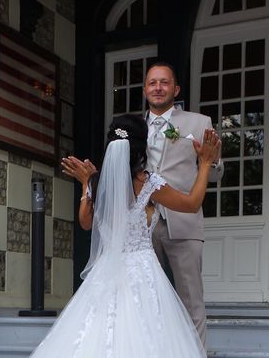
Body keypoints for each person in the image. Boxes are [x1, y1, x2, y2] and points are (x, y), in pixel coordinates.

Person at [30, 114, 220, 357]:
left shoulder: (98, 183)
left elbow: (85, 223)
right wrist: (204, 164)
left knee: (97, 328)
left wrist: (86, 184)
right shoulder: (147, 182)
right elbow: (191, 204)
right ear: (142, 147)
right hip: (143, 270)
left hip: (106, 269)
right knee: (149, 332)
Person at [144, 62, 223, 347]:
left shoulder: (198, 123)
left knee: (191, 299)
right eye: (152, 82)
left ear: (175, 90)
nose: (158, 87)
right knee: (146, 298)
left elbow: (215, 173)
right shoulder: (131, 127)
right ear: (145, 89)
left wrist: (209, 160)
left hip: (184, 220)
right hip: (143, 223)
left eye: (164, 82)